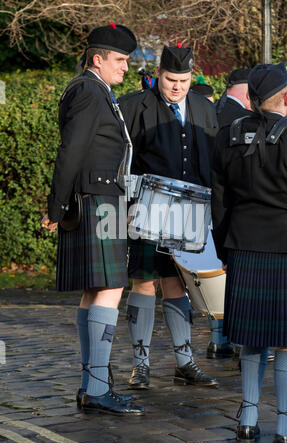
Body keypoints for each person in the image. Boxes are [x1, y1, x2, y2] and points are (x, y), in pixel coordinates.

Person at [41, 24, 144, 416]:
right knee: (112, 287)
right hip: (100, 201)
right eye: (119, 60)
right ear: (97, 59)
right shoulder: (88, 91)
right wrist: (56, 205)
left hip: (100, 200)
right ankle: (98, 386)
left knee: (94, 290)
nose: (125, 68)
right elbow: (71, 151)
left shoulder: (95, 89)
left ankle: (92, 383)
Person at [119, 43, 219, 390]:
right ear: (158, 75)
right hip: (149, 207)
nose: (177, 86)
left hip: (191, 210)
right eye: (171, 79)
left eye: (184, 80)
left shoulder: (204, 110)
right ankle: (141, 363)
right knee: (145, 281)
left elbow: (214, 159)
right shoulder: (134, 106)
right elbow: (122, 159)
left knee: (180, 283)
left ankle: (185, 362)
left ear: (192, 78)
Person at [211, 62, 287, 443]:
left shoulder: (227, 136)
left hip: (242, 246)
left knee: (251, 339)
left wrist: (223, 248)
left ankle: (247, 421)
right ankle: (285, 428)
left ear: (249, 99)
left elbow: (218, 200)